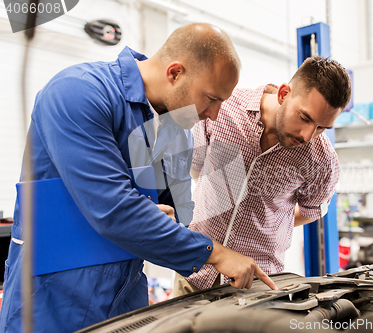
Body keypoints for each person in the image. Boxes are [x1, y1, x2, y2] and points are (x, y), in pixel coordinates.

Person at [0, 23, 276, 333]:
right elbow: (114, 210)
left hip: (125, 303)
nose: (213, 114)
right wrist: (215, 253)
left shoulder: (179, 134)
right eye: (211, 98)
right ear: (175, 73)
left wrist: (165, 219)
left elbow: (175, 215)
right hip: (53, 303)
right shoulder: (78, 92)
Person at [173, 56, 352, 296]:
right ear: (283, 94)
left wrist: (271, 221)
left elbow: (310, 211)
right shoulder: (224, 108)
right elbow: (197, 166)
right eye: (305, 118)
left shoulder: (322, 160)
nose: (309, 135)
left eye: (322, 127)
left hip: (257, 283)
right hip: (196, 267)